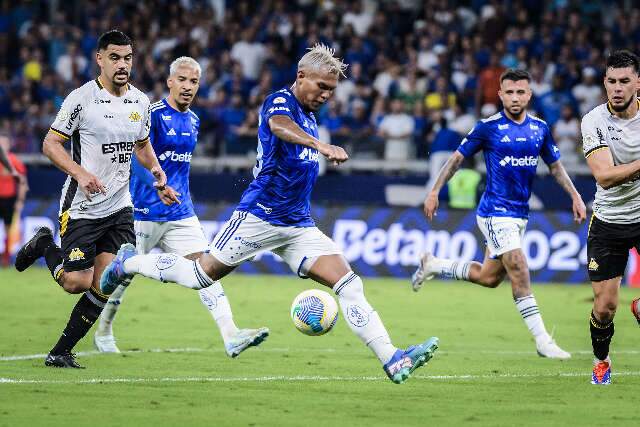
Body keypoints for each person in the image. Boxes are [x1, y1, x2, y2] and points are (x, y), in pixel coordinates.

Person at [101, 44, 439, 384]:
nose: (326, 95)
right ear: (301, 77)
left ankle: (393, 359)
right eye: (321, 86)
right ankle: (126, 264)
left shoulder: (309, 115)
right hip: (259, 216)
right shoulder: (279, 102)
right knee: (200, 276)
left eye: (331, 91)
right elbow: (278, 125)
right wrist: (320, 146)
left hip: (298, 225)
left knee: (350, 284)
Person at [13, 30, 178, 368]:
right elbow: (50, 144)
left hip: (120, 207)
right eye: (115, 57)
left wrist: (157, 172)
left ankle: (60, 352)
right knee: (76, 282)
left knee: (106, 282)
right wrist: (80, 173)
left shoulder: (141, 102)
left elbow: (142, 144)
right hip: (82, 207)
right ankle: (45, 244)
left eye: (128, 58)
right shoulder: (81, 99)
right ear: (100, 59)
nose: (122, 64)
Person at [94, 56, 268, 357]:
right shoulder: (154, 114)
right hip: (144, 210)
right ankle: (104, 329)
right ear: (170, 82)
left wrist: (173, 191)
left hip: (181, 212)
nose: (188, 87)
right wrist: (157, 185)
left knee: (206, 270)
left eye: (194, 82)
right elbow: (136, 157)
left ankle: (231, 334)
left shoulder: (194, 120)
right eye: (183, 80)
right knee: (123, 276)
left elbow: (179, 168)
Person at [412, 68, 586, 359]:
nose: (515, 97)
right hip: (494, 211)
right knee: (518, 265)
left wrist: (576, 196)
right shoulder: (487, 127)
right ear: (500, 94)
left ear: (529, 95)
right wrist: (433, 191)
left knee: (489, 278)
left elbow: (555, 167)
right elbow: (456, 160)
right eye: (510, 92)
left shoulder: (540, 128)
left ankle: (434, 265)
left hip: (519, 214)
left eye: (521, 92)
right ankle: (543, 340)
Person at [579, 50, 640, 385]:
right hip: (609, 220)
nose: (617, 88)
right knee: (604, 308)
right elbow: (604, 176)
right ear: (605, 82)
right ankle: (601, 360)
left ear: (638, 83)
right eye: (612, 81)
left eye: (625, 81)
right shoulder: (594, 120)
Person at [0, 135, 27, 266]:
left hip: (8, 199)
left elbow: (22, 182)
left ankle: (5, 257)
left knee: (8, 228)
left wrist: (20, 200)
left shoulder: (14, 161)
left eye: (4, 143)